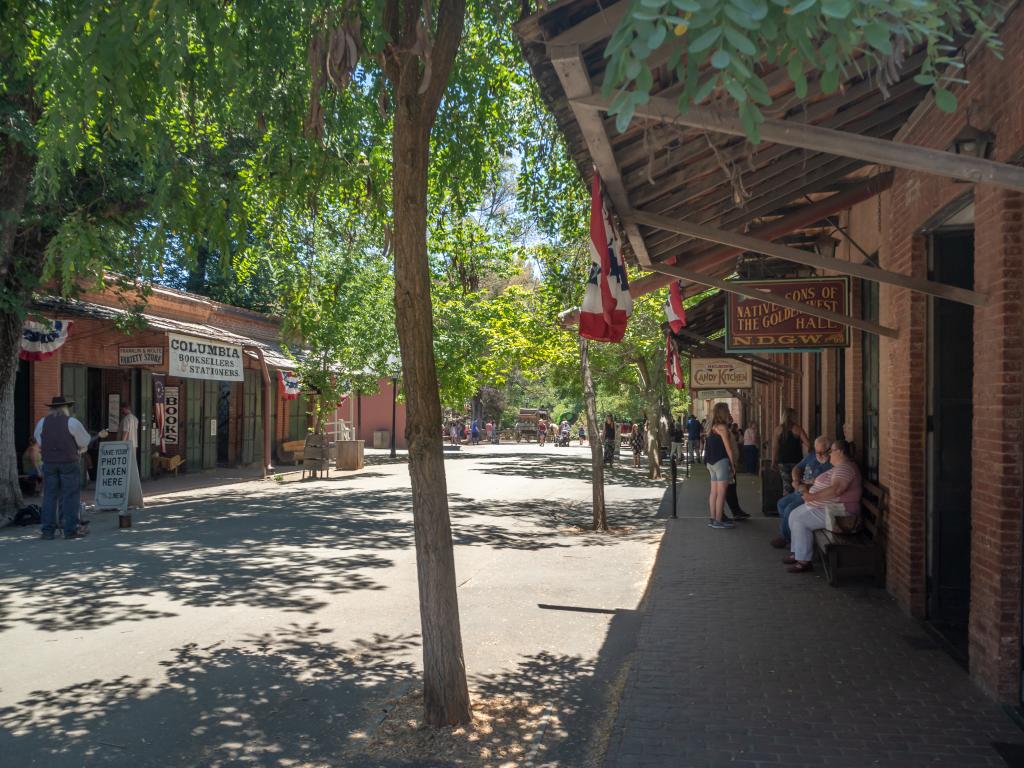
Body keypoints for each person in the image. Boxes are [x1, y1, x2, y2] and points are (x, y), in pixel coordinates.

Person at [784, 439, 862, 573]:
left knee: (800, 522)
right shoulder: (840, 467)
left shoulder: (845, 467)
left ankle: (804, 561)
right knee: (794, 515)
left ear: (840, 452)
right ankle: (798, 553)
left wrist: (812, 496)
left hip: (839, 512)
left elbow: (837, 489)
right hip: (827, 507)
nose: (829, 454)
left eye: (831, 451)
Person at [34, 395, 91, 540]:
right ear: (65, 408)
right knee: (70, 496)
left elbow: (39, 440)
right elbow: (85, 440)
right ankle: (70, 529)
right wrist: (79, 449)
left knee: (49, 496)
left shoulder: (42, 422)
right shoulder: (71, 422)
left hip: (49, 463)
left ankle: (47, 530)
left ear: (51, 409)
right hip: (68, 462)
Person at [769, 436, 832, 549]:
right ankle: (793, 534)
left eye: (821, 452)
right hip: (800, 489)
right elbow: (796, 468)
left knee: (790, 508)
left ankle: (786, 538)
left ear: (829, 451)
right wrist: (796, 480)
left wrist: (808, 486)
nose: (819, 455)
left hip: (811, 493)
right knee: (781, 504)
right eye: (817, 452)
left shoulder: (831, 463)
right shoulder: (812, 456)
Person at [704, 402, 737, 529]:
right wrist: (733, 463)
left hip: (710, 462)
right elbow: (728, 447)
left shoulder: (711, 426)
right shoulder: (722, 427)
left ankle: (713, 518)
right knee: (722, 493)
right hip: (721, 461)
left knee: (713, 492)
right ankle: (718, 520)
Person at [772, 407, 810, 494]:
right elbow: (808, 443)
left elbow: (775, 447)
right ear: (793, 417)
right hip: (796, 461)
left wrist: (773, 461)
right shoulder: (798, 428)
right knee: (797, 484)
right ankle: (795, 504)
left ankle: (786, 503)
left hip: (783, 461)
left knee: (786, 486)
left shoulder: (778, 429)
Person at [724, 415, 749, 519]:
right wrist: (732, 463)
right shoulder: (723, 430)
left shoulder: (727, 430)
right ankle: (731, 512)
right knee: (727, 489)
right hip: (728, 464)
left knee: (732, 488)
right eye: (728, 415)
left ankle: (736, 510)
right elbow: (728, 448)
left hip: (730, 463)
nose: (730, 418)